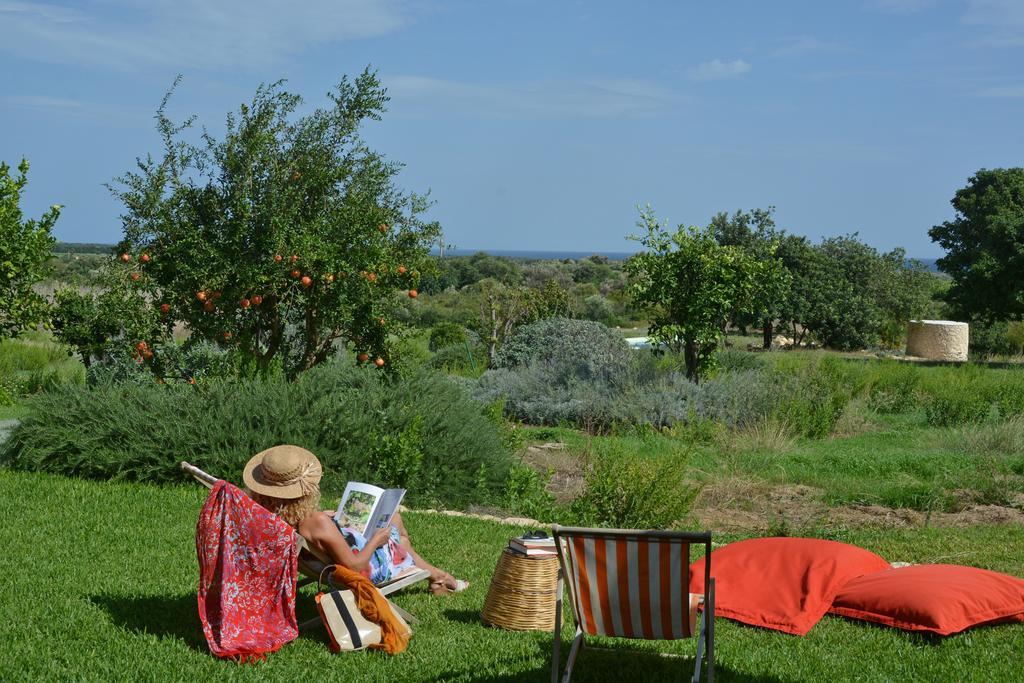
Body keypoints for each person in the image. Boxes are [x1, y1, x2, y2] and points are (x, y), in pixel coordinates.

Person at [243, 444, 468, 595]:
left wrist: (332, 518)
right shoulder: (317, 522)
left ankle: (434, 575)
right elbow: (354, 568)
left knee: (395, 520)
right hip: (363, 571)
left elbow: (316, 531)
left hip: (322, 559)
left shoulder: (270, 516)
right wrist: (376, 541)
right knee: (396, 535)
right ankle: (438, 576)